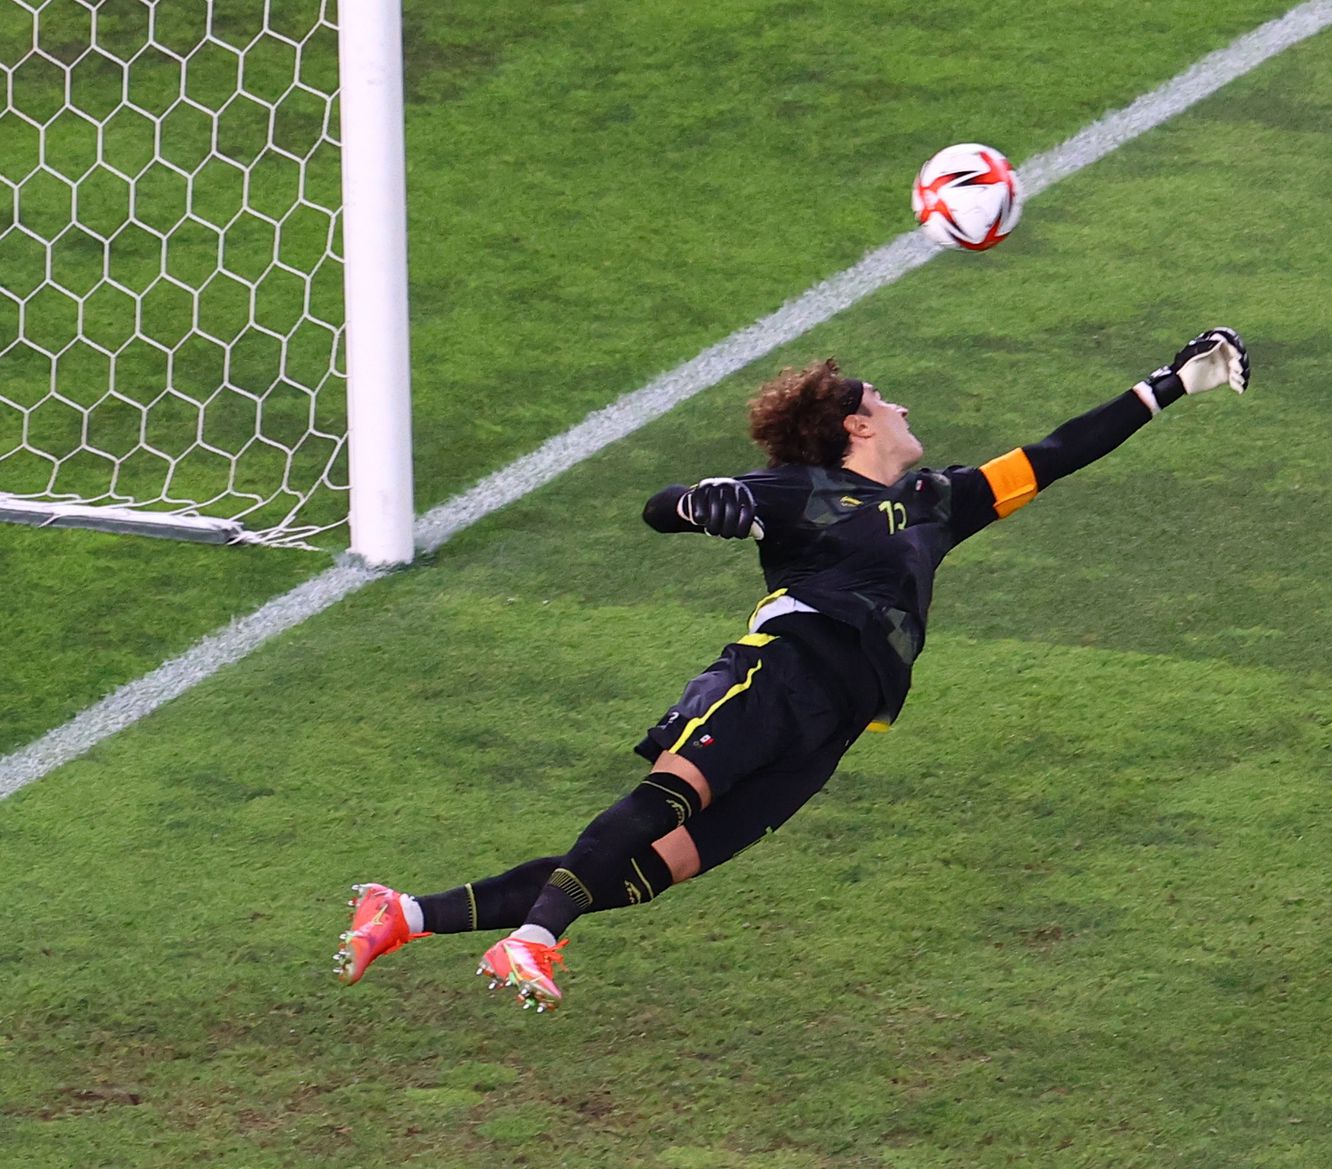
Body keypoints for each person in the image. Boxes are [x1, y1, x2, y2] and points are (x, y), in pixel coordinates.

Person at [333, 327, 1251, 1011]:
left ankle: (405, 913)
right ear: (856, 422)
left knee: (661, 865)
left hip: (837, 727)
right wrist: (709, 501)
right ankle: (532, 938)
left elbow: (1055, 453)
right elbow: (662, 508)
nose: (902, 408)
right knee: (672, 796)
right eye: (887, 399)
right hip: (782, 668)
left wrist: (1172, 383)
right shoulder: (803, 491)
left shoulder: (939, 503)